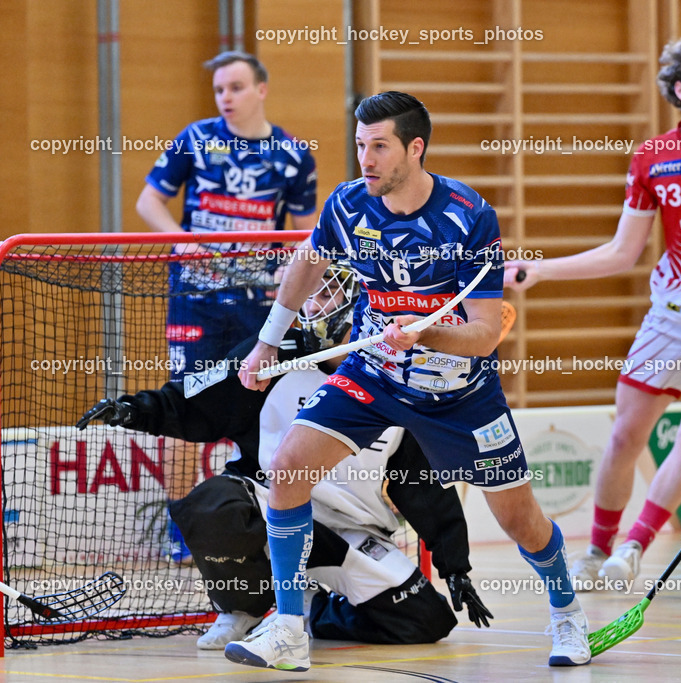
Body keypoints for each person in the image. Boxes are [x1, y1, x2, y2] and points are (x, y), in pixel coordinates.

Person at [232, 91, 590, 672]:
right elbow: (307, 263)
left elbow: (484, 335)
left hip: (459, 395)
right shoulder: (348, 205)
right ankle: (291, 630)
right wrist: (267, 340)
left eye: (379, 146)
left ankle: (567, 612)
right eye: (359, 145)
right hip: (373, 374)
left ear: (414, 148)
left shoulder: (468, 216)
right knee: (289, 470)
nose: (365, 159)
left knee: (520, 521)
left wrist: (425, 335)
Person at [76, 263, 492, 649]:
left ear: (361, 300)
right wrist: (133, 410)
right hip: (269, 507)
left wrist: (455, 565)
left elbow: (421, 483)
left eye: (325, 295)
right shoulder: (270, 357)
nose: (312, 307)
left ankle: (311, 610)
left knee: (427, 621)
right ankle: (243, 610)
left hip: (347, 531)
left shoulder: (402, 378)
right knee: (213, 504)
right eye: (308, 295)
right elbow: (194, 401)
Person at [506, 35, 681, 589]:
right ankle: (596, 551)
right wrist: (540, 270)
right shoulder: (652, 158)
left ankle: (635, 546)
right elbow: (622, 252)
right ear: (680, 90)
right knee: (625, 436)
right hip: (672, 313)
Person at [135, 51, 319, 562]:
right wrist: (183, 241)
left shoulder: (293, 155)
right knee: (184, 403)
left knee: (257, 408)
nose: (225, 98)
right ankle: (180, 527)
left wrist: (288, 270)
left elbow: (306, 232)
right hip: (195, 301)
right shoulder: (195, 139)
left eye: (235, 87)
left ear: (261, 89)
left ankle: (259, 519)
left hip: (260, 308)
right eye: (219, 90)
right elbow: (148, 202)